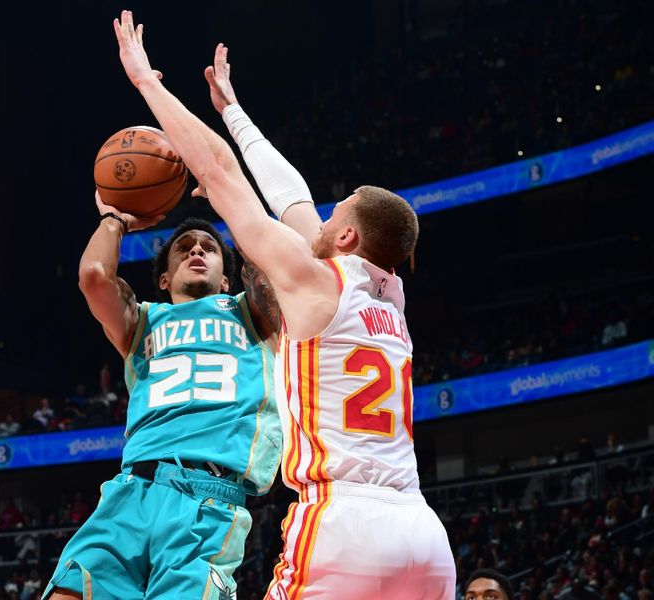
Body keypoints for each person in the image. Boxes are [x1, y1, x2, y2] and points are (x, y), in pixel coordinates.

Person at [113, 12, 455, 597]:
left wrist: (148, 84)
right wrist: (233, 112)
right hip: (424, 535)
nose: (322, 214)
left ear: (345, 237)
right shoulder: (389, 295)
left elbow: (219, 172)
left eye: (337, 210)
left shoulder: (315, 281)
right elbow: (291, 195)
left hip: (343, 520)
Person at [43, 202, 282, 595]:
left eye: (209, 247)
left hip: (208, 498)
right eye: (184, 247)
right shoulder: (141, 321)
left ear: (227, 279)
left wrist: (228, 202)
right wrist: (115, 220)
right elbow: (93, 276)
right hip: (130, 491)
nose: (197, 250)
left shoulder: (252, 313)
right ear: (165, 280)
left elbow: (269, 265)